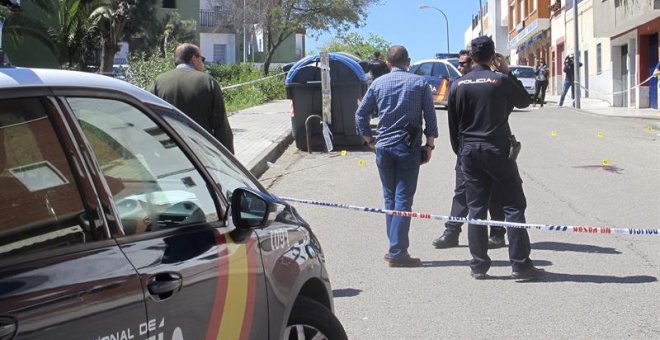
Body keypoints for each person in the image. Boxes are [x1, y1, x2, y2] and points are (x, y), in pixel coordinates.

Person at [447, 36, 544, 280]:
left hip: (469, 150)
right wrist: (507, 72)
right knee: (513, 205)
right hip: (496, 149)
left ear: (471, 55)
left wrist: (461, 153)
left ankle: (478, 265)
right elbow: (524, 100)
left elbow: (453, 125)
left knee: (477, 209)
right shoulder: (500, 80)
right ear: (493, 56)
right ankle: (520, 265)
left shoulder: (458, 85)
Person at [355, 45, 438, 267]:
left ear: (389, 64)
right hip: (408, 148)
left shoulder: (378, 84)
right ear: (408, 62)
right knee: (403, 199)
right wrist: (429, 145)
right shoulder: (420, 83)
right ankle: (397, 251)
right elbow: (430, 116)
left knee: (389, 198)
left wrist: (369, 140)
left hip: (384, 148)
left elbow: (361, 114)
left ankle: (394, 247)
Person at [432, 49, 506, 250]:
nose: (460, 67)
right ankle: (452, 231)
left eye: (463, 63)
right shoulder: (458, 87)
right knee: (462, 191)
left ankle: (498, 233)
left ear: (473, 62)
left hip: (492, 148)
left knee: (494, 192)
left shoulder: (494, 83)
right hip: (467, 150)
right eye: (459, 63)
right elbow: (453, 124)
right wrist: (459, 150)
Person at [150, 43, 234, 153]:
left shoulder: (159, 81)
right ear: (194, 58)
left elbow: (150, 118)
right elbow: (221, 126)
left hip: (169, 150)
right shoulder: (207, 82)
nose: (203, 63)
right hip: (201, 153)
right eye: (202, 59)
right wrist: (228, 158)